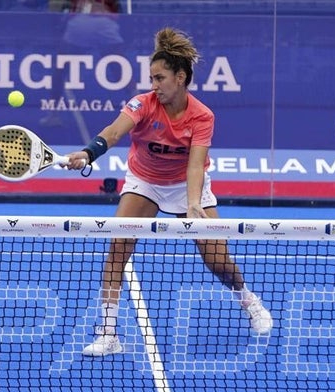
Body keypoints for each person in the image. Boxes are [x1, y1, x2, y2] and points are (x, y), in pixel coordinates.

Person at [64, 27, 274, 356]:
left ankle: (249, 301)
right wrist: (88, 153)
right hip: (145, 181)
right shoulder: (142, 104)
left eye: (160, 78)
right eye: (152, 78)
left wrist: (192, 204)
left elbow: (195, 165)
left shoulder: (202, 116)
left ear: (180, 77)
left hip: (186, 185)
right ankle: (108, 333)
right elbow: (115, 131)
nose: (154, 85)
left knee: (218, 260)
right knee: (118, 248)